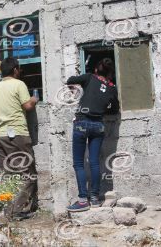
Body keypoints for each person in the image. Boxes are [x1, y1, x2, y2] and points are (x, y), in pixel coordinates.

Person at [0, 57, 39, 221]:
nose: (19, 71)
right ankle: (17, 210)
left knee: (8, 174)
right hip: (18, 135)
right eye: (19, 69)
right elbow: (27, 106)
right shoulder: (19, 84)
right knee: (28, 173)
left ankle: (7, 211)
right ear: (15, 70)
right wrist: (34, 99)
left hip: (1, 137)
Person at [66, 58, 119, 212]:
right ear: (110, 74)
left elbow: (70, 80)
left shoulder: (89, 77)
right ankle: (94, 199)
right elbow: (115, 109)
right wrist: (102, 109)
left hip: (82, 123)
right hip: (98, 125)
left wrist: (75, 91)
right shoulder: (112, 87)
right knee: (95, 162)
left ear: (96, 70)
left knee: (79, 163)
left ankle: (83, 200)